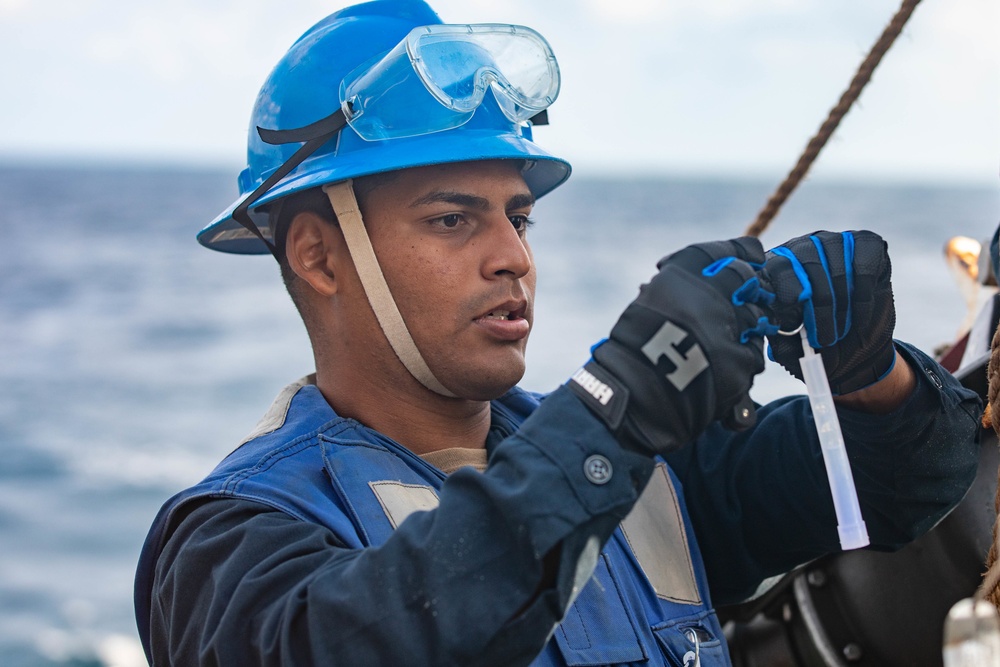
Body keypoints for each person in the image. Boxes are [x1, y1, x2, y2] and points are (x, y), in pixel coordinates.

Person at [133, 1, 982, 665]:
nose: (512, 257)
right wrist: (618, 412)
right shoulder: (230, 538)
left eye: (520, 218)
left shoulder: (645, 474)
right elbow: (365, 641)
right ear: (319, 255)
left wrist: (870, 376)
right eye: (452, 220)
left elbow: (909, 486)